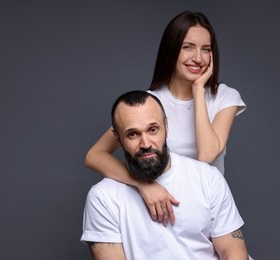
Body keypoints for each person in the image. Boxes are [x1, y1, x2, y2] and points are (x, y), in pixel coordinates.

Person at [85, 10, 246, 225]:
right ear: (171, 50)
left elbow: (207, 155)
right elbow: (94, 155)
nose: (198, 58)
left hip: (209, 214)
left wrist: (198, 90)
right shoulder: (151, 103)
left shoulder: (225, 97)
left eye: (206, 49)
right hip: (161, 214)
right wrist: (144, 185)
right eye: (187, 47)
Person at [81, 90, 249, 259]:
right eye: (133, 134)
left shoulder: (208, 178)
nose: (145, 144)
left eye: (153, 129)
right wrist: (143, 184)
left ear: (167, 127)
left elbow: (233, 253)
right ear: (118, 140)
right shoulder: (103, 197)